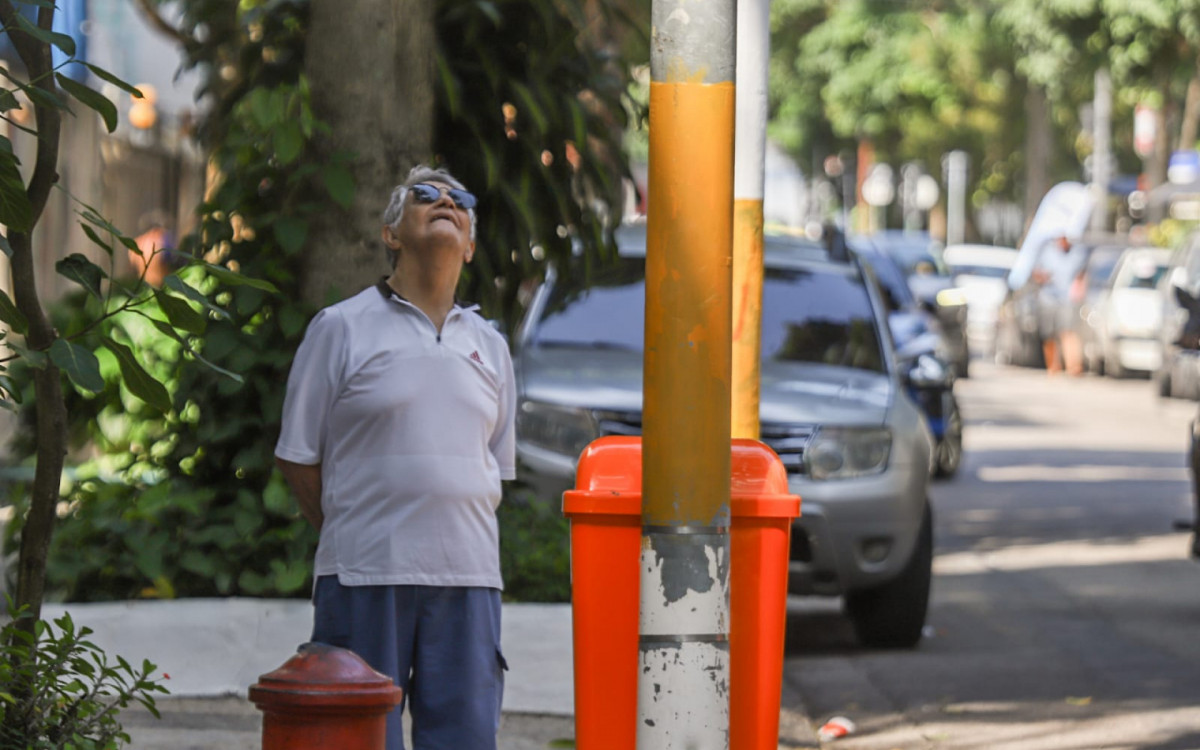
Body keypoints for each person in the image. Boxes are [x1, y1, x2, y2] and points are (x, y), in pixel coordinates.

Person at [274, 165, 516, 750]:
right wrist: (353, 533)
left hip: (468, 580)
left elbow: (493, 470)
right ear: (391, 234)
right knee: (355, 740)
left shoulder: (491, 347)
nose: (445, 202)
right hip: (363, 578)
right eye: (424, 195)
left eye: (459, 199)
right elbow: (297, 458)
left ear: (472, 243)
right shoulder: (340, 328)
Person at [1031, 235, 1086, 375]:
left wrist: (1079, 288)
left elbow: (1081, 274)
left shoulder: (1077, 252)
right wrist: (1043, 277)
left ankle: (1073, 366)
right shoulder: (1046, 252)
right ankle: (1053, 366)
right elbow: (1035, 273)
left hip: (1067, 298)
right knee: (1049, 334)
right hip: (1048, 297)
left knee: (1068, 331)